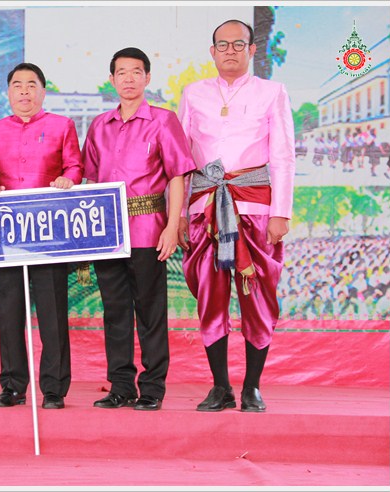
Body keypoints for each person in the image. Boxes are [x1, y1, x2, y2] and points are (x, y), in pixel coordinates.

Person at [177, 20, 295, 412]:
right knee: (210, 298)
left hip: (255, 208)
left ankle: (252, 388)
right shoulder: (193, 93)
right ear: (212, 51)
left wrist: (281, 212)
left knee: (256, 297)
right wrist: (180, 214)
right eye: (223, 45)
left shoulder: (272, 92)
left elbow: (283, 155)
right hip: (205, 208)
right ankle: (220, 387)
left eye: (238, 44)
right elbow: (181, 159)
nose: (230, 51)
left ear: (252, 49)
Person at [82, 47, 195, 411]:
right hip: (108, 232)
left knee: (150, 311)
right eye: (121, 72)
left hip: (149, 228)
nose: (128, 79)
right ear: (111, 79)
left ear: (147, 77)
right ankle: (120, 387)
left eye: (135, 72)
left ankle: (152, 388)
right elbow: (90, 180)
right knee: (115, 311)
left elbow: (177, 176)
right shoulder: (99, 125)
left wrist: (172, 226)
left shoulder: (163, 120)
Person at [0, 62, 83, 410]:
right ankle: (12, 385)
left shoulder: (62, 126)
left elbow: (75, 166)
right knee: (9, 314)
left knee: (53, 314)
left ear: (42, 91)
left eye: (31, 84)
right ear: (8, 92)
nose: (24, 91)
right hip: (7, 235)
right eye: (17, 85)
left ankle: (54, 388)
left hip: (49, 235)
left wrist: (69, 179)